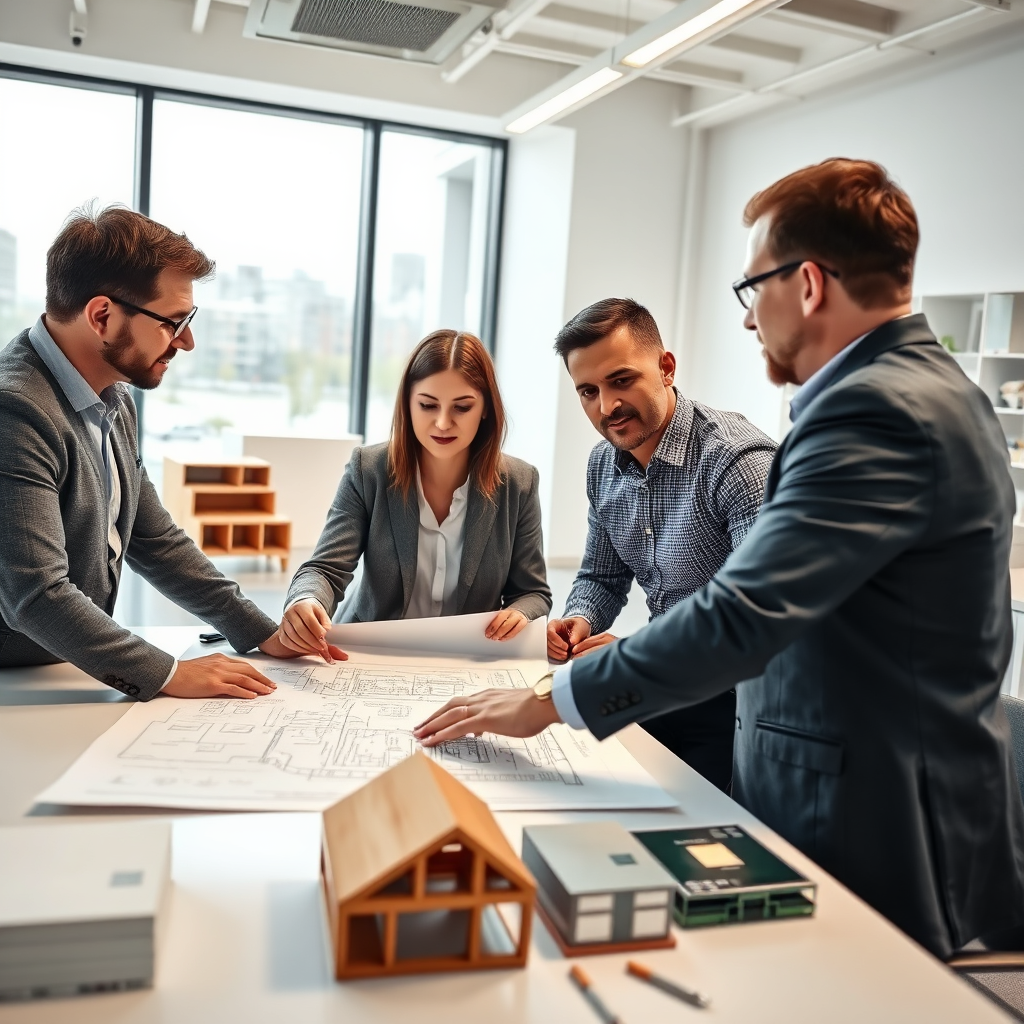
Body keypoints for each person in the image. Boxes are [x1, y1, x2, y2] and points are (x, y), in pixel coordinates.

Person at [415, 158, 1024, 959]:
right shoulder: (916, 390)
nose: (746, 319)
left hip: (869, 804)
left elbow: (745, 612)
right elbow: (622, 578)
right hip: (838, 771)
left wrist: (552, 697)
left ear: (806, 284)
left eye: (751, 290)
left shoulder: (870, 413)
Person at [0, 205, 309, 702]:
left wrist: (260, 631)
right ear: (102, 316)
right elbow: (35, 597)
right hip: (15, 689)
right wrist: (170, 674)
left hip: (56, 670)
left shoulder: (113, 397)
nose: (186, 341)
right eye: (173, 321)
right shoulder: (15, 410)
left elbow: (153, 537)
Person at [545, 298, 776, 791]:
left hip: (737, 701)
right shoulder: (603, 465)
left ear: (666, 368)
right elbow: (601, 577)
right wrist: (579, 620)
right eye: (588, 391)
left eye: (621, 380)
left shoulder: (738, 463)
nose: (607, 407)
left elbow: (754, 625)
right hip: (659, 688)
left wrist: (627, 653)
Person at [277, 329, 551, 657]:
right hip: (371, 652)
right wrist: (306, 599)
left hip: (467, 657)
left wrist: (520, 614)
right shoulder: (368, 469)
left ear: (486, 409)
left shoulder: (519, 484)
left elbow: (533, 593)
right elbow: (325, 569)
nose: (442, 423)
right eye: (427, 405)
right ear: (408, 404)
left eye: (462, 408)